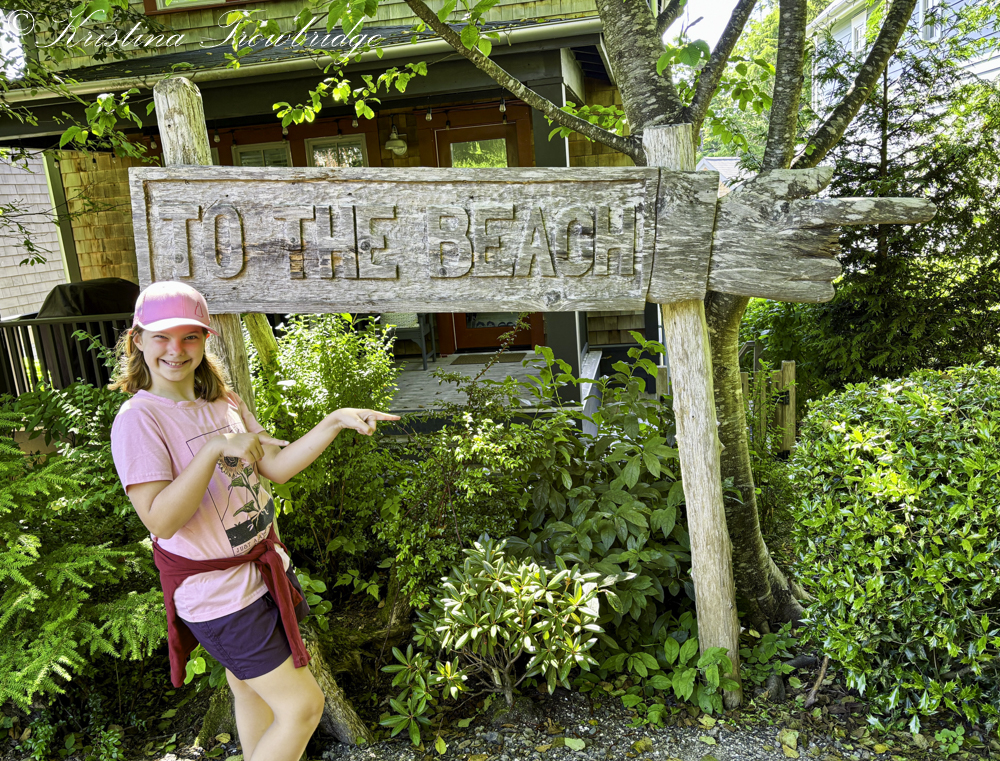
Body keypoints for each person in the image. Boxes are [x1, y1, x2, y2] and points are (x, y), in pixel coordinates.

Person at [109, 281, 399, 761]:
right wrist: (212, 450)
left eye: (189, 337)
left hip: (263, 572)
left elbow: (275, 467)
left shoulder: (224, 401)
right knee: (304, 709)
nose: (176, 350)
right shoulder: (139, 419)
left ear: (205, 339)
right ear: (137, 340)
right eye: (161, 337)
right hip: (219, 597)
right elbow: (160, 521)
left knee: (249, 690)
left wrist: (334, 420)